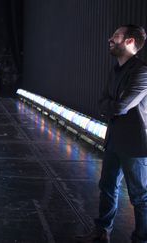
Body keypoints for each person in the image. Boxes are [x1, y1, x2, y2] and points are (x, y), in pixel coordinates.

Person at [76, 24, 147, 243]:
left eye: (116, 36)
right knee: (107, 187)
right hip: (114, 139)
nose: (110, 39)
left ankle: (141, 239)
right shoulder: (115, 70)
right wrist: (111, 105)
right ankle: (102, 232)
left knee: (140, 196)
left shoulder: (143, 72)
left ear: (130, 41)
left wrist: (111, 105)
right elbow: (103, 102)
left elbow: (119, 107)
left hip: (135, 145)